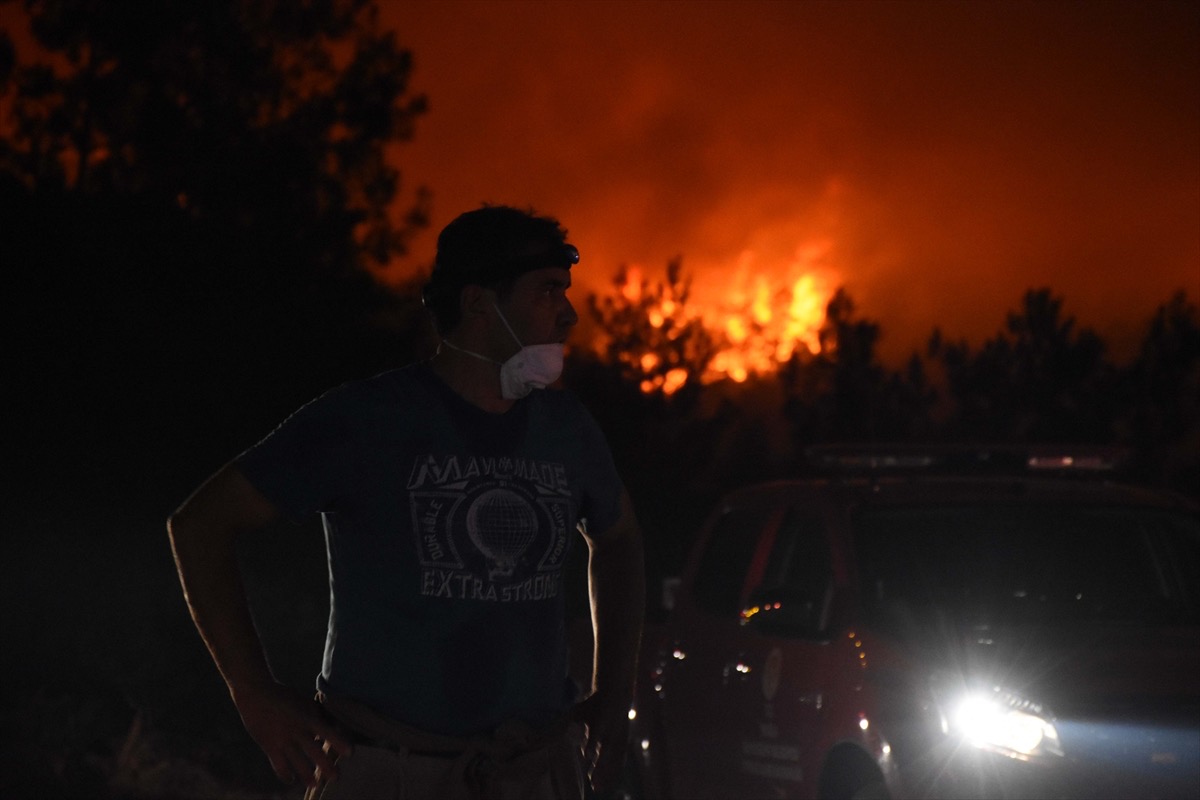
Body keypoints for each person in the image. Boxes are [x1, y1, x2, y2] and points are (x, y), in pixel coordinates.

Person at [167, 205, 645, 799]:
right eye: (549, 291)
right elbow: (200, 523)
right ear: (477, 303)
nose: (568, 314)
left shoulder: (566, 428)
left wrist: (614, 689)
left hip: (532, 770)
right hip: (387, 771)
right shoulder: (368, 420)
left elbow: (618, 536)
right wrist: (252, 691)